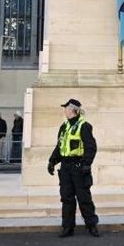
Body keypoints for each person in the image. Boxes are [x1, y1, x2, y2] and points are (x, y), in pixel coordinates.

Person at [47, 98, 98, 238]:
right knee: (67, 198)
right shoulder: (64, 127)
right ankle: (68, 227)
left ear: (72, 110)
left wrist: (87, 164)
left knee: (84, 197)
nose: (64, 110)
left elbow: (91, 147)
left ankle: (91, 225)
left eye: (66, 108)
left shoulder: (84, 126)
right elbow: (60, 146)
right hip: (65, 167)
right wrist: (52, 161)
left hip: (79, 166)